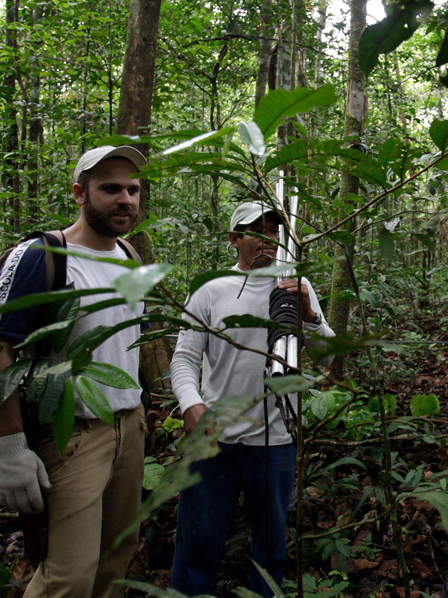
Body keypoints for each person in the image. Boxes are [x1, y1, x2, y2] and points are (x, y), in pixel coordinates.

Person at [0, 145, 149, 598]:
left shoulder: (130, 255)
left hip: (128, 428)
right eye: (110, 189)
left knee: (117, 557)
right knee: (68, 576)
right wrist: (10, 449)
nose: (125, 200)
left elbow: (133, 344)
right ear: (79, 193)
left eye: (132, 190)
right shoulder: (41, 255)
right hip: (71, 434)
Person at [169, 200, 336, 597]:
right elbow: (185, 357)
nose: (267, 241)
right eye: (256, 232)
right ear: (235, 240)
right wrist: (191, 404)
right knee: (199, 536)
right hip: (216, 438)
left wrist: (310, 315)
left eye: (273, 231)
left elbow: (329, 355)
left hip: (275, 439)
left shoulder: (296, 286)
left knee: (271, 542)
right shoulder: (210, 290)